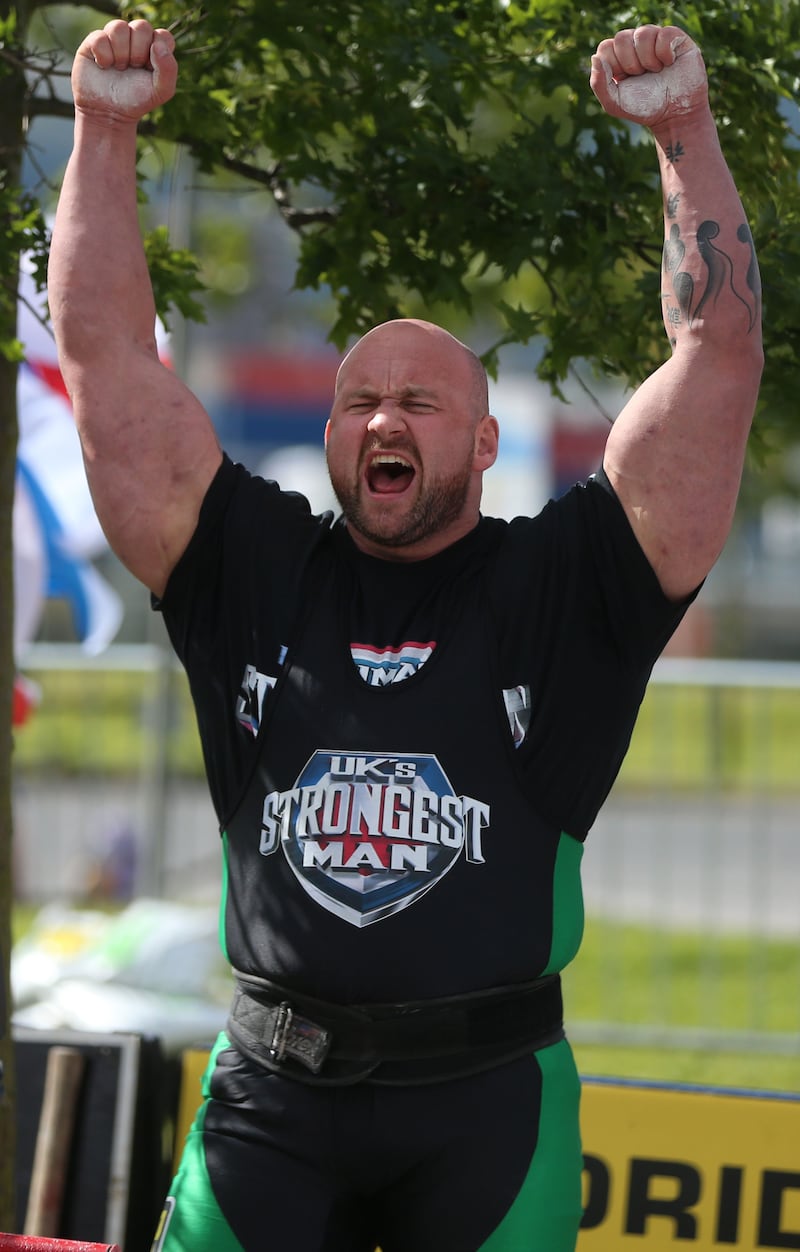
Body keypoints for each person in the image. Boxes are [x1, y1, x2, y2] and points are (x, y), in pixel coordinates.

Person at [49, 18, 762, 1252]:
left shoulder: (566, 583)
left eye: (420, 401)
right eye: (358, 399)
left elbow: (715, 352)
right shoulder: (250, 566)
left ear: (483, 445)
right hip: (270, 1095)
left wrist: (684, 138)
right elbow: (106, 359)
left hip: (487, 1104)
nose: (383, 416)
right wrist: (104, 134)